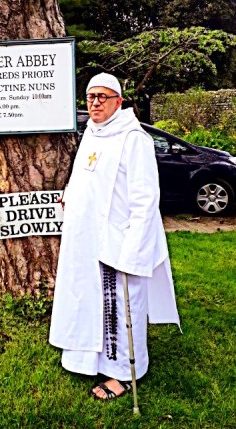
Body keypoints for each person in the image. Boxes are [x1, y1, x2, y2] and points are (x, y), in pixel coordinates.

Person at [49, 73, 180, 401]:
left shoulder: (134, 139)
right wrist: (69, 195)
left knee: (120, 308)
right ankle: (87, 359)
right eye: (90, 96)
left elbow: (145, 200)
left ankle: (122, 373)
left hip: (119, 241)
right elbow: (82, 177)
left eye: (102, 97)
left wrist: (133, 251)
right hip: (85, 239)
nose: (95, 103)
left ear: (118, 102)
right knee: (87, 299)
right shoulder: (92, 134)